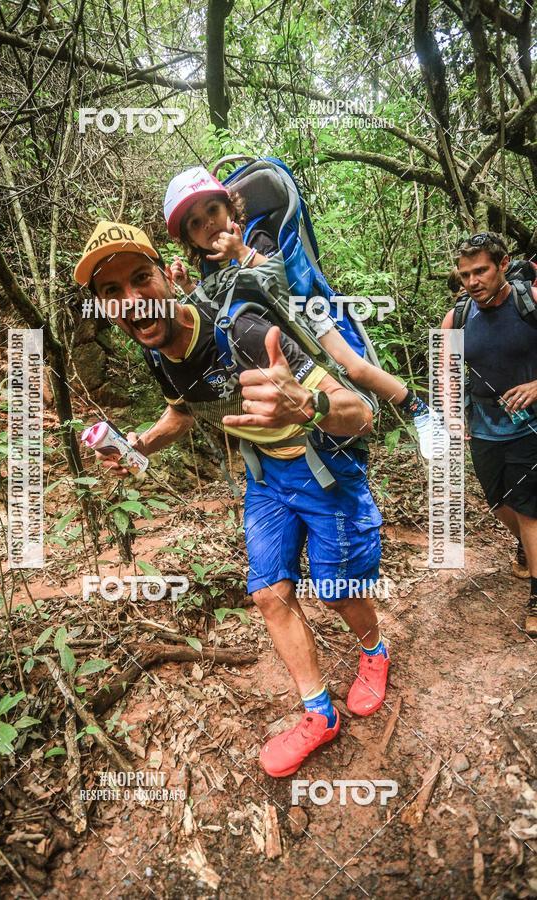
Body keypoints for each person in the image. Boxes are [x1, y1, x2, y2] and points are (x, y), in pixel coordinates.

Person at [73, 220, 391, 778]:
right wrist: (140, 444)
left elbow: (362, 413)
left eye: (140, 278)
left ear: (166, 277)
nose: (132, 301)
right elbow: (180, 412)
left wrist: (308, 406)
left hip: (324, 472)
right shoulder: (157, 351)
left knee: (338, 591)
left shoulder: (242, 331)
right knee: (271, 595)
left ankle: (374, 650)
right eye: (111, 293)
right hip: (265, 479)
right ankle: (319, 714)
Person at [163, 166, 447, 458]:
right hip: (273, 331)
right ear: (190, 239)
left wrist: (241, 253)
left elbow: (280, 281)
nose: (208, 223)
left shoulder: (255, 237)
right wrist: (187, 285)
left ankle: (419, 410)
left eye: (212, 210)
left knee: (353, 366)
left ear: (230, 209)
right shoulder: (210, 265)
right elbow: (215, 304)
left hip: (304, 311)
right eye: (195, 223)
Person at [441, 232, 537, 635]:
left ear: (502, 264)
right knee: (499, 503)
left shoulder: (528, 302)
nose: (472, 281)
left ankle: (536, 593)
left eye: (480, 271)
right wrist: (451, 413)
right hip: (484, 426)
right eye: (465, 275)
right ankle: (525, 547)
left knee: (529, 507)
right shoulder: (459, 317)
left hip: (530, 426)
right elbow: (445, 367)